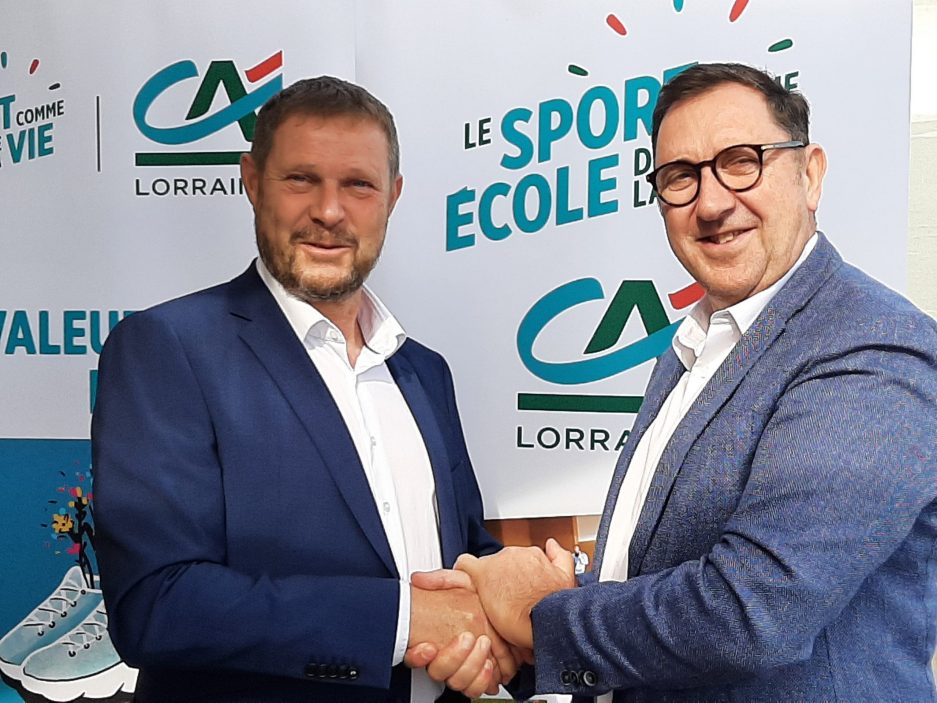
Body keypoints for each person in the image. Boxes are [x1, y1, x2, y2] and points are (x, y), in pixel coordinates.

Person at [413, 62, 937, 701]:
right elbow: (660, 574)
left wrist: (534, 616)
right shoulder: (695, 342)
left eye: (742, 161)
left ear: (810, 173)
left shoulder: (872, 345)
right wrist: (525, 641)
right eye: (681, 177)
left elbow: (752, 612)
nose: (711, 204)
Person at [91, 76, 516, 703]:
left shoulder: (424, 371)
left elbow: (460, 562)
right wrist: (404, 621)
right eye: (301, 179)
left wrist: (513, 615)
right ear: (252, 181)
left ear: (393, 197)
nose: (329, 211)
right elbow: (156, 604)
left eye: (359, 185)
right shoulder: (169, 348)